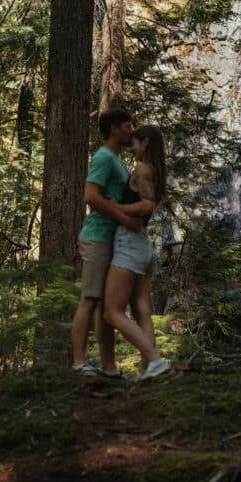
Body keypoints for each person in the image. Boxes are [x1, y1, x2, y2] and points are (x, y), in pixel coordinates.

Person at [71, 109, 143, 377]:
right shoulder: (103, 157)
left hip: (113, 239)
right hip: (97, 237)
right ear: (114, 129)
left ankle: (109, 366)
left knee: (108, 307)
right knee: (89, 299)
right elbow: (90, 195)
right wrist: (123, 217)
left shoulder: (117, 161)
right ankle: (79, 362)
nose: (130, 131)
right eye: (127, 125)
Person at [103, 125, 172, 380]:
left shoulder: (143, 169)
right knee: (142, 310)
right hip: (142, 246)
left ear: (145, 143)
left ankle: (154, 360)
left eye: (135, 143)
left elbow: (146, 205)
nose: (131, 148)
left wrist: (117, 207)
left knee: (112, 312)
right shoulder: (155, 170)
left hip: (130, 244)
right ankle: (147, 371)